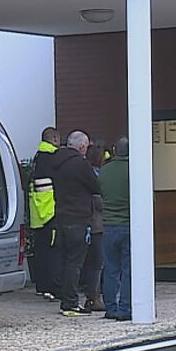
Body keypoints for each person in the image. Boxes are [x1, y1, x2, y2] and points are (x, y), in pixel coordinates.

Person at [47, 130, 100, 316]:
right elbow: (95, 186)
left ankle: (65, 299)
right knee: (75, 263)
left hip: (60, 216)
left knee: (64, 260)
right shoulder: (81, 164)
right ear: (82, 146)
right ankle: (70, 303)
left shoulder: (55, 162)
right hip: (78, 218)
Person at [99, 136, 131, 321]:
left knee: (110, 269)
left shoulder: (104, 171)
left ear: (114, 150)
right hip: (129, 224)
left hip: (109, 224)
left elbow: (100, 194)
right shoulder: (134, 170)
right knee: (128, 269)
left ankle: (110, 307)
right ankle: (125, 308)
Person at [28, 127, 62, 300]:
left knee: (40, 252)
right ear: (54, 138)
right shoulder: (52, 157)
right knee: (52, 252)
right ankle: (51, 287)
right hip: (49, 211)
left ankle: (41, 286)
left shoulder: (38, 157)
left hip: (37, 213)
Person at [80, 144, 106, 311]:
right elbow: (98, 201)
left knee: (89, 263)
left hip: (84, 222)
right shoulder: (97, 176)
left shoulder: (82, 172)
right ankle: (93, 297)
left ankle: (91, 294)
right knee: (97, 263)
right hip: (97, 224)